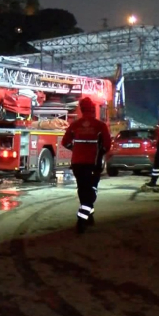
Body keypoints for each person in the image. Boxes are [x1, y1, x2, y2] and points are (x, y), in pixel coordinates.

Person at [62, 97, 112, 234]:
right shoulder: (100, 126)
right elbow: (107, 145)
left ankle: (89, 216)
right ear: (93, 109)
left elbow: (64, 142)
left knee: (82, 189)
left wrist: (76, 149)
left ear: (81, 109)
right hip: (93, 164)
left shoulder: (75, 125)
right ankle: (81, 219)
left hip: (77, 163)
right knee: (91, 191)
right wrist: (99, 153)